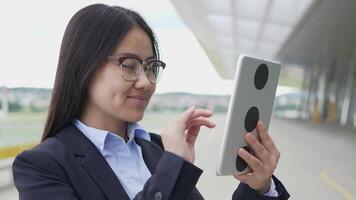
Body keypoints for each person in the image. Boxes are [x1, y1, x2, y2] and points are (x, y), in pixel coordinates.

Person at [12, 4, 290, 200]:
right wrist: (174, 164)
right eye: (129, 64)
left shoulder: (156, 149)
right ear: (84, 67)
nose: (146, 82)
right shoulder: (42, 166)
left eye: (151, 66)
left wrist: (259, 189)